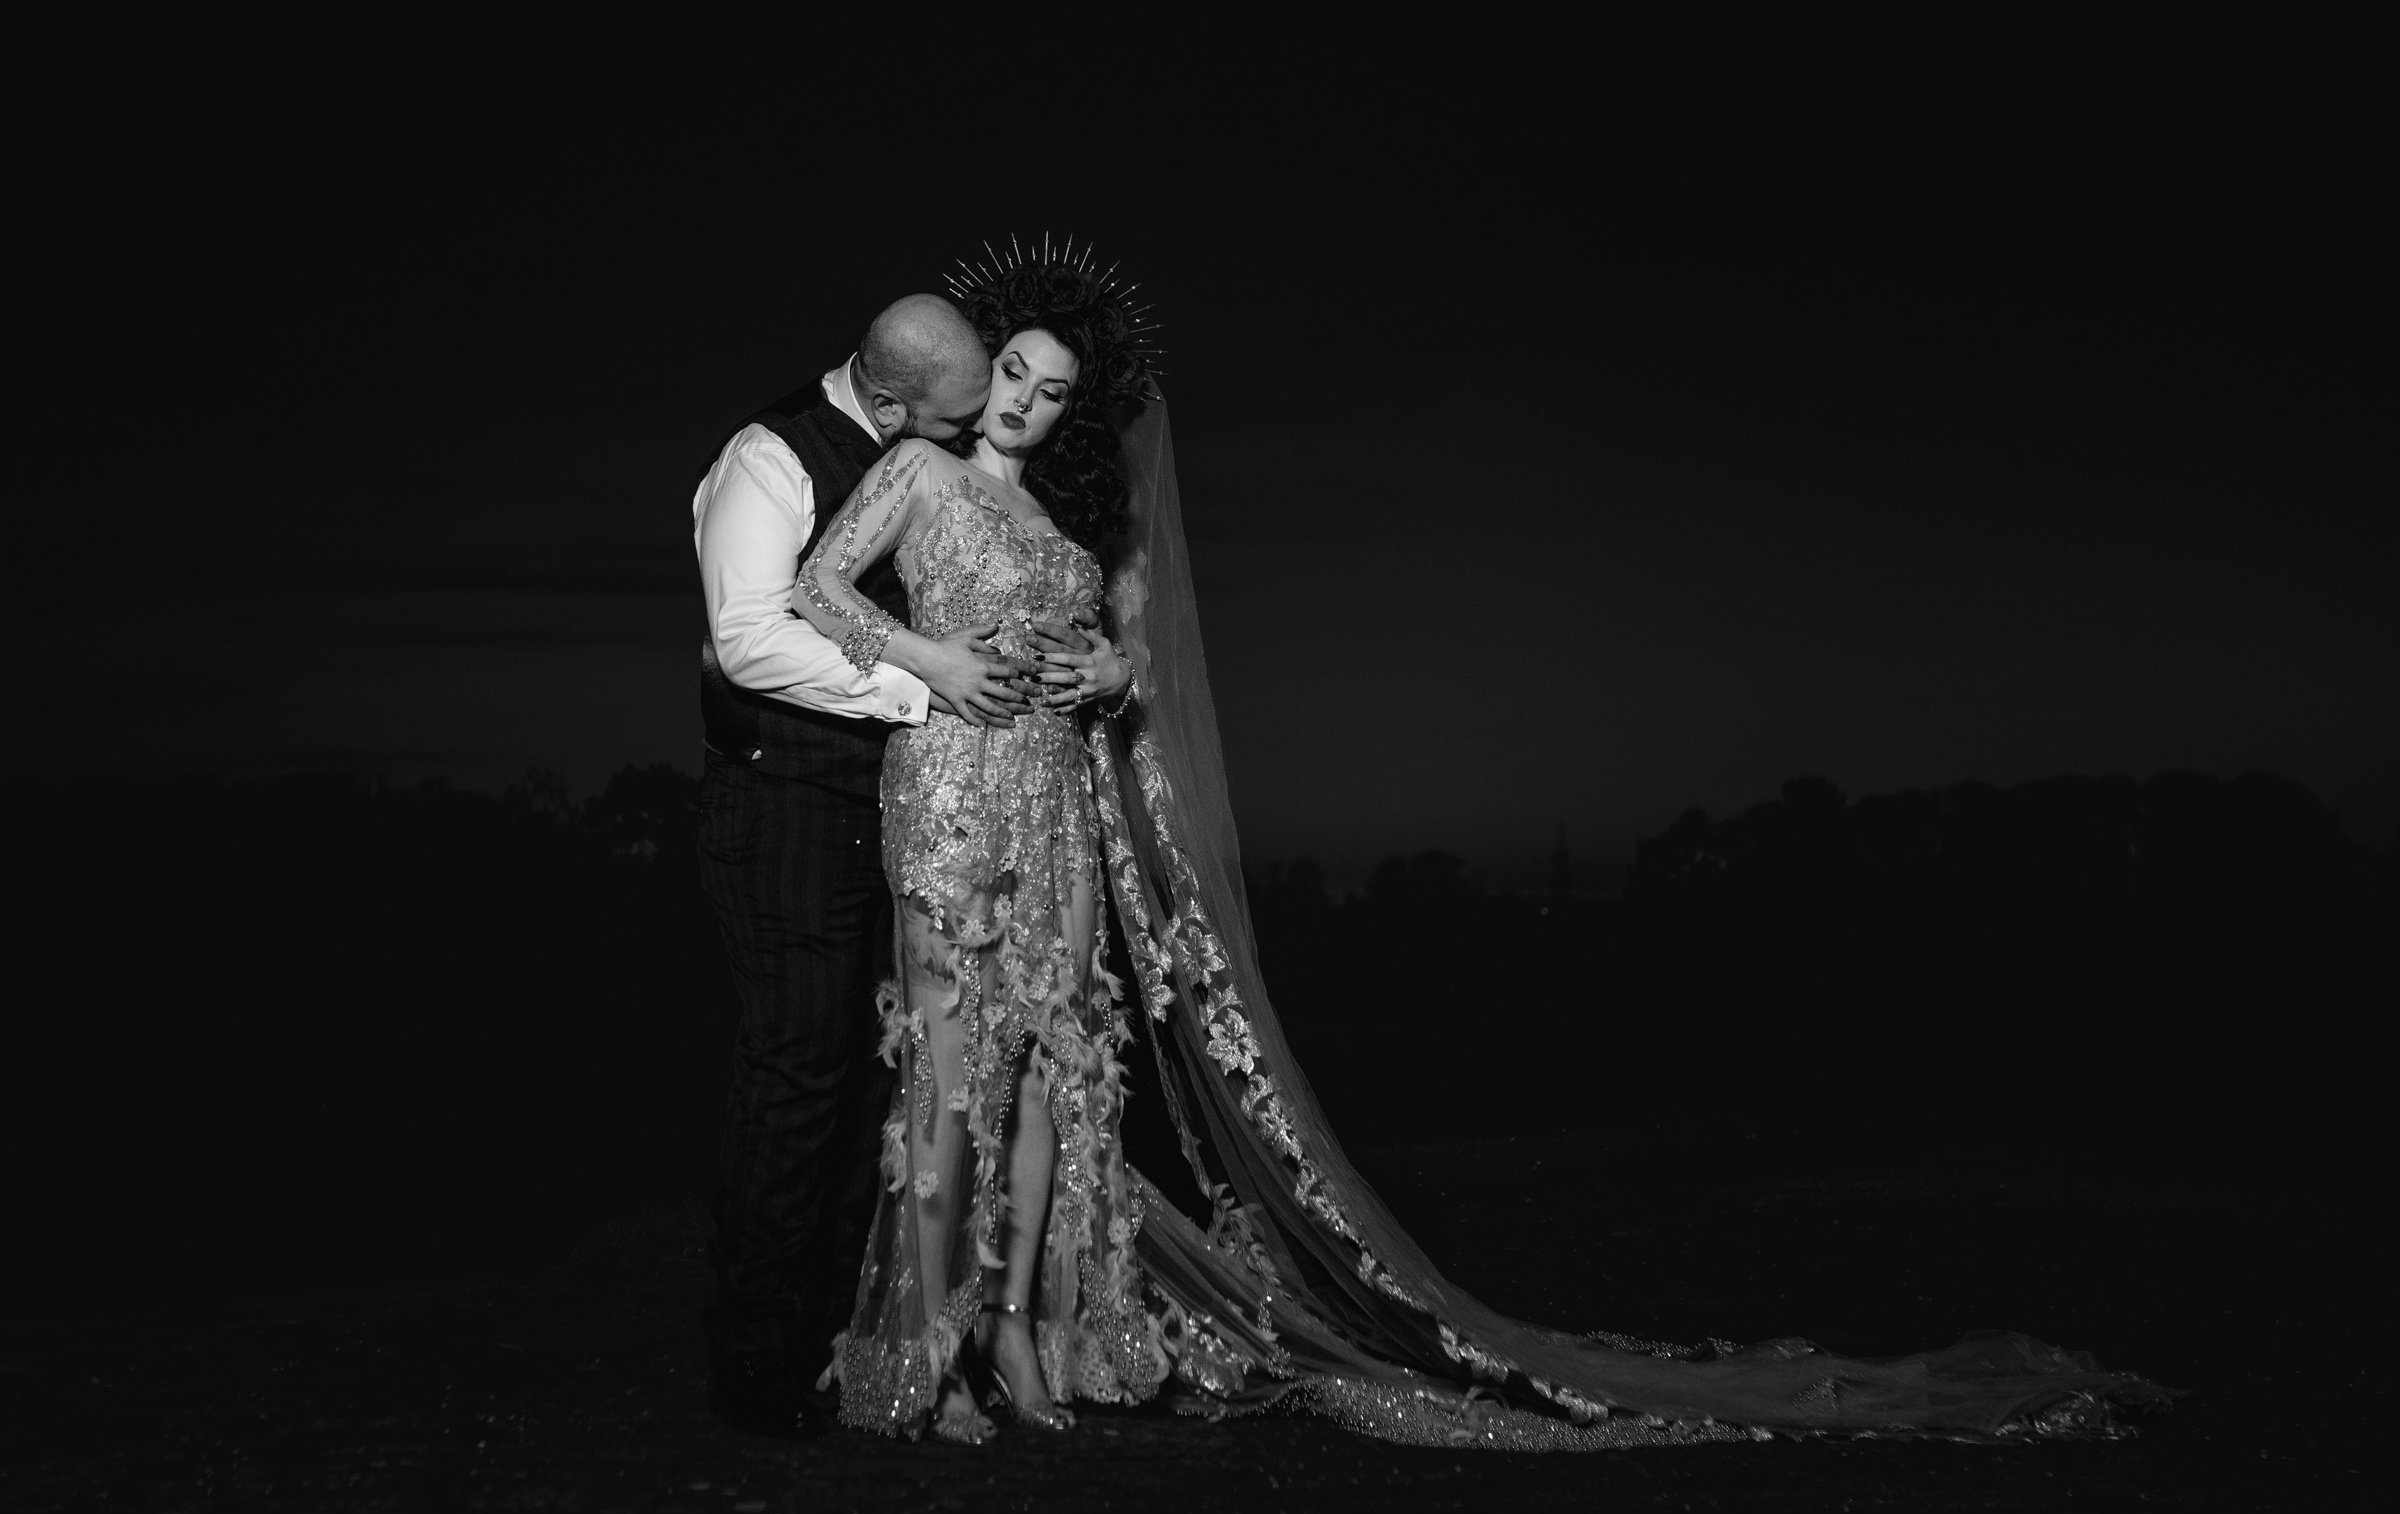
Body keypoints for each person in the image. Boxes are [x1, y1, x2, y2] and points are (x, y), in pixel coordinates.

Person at [806, 244, 2167, 1448]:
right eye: (1016, 375)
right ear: (981, 372)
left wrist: (1104, 673)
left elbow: (1111, 663)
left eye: (1054, 388)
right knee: (949, 1063)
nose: (1030, 401)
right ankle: (927, 1350)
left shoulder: (1053, 523)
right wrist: (930, 658)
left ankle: (1019, 1335)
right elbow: (817, 588)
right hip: (954, 782)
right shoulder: (917, 470)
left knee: (1055, 1073)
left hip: (1052, 791)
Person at [690, 293, 1033, 1439]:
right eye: (946, 422)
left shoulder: (908, 449)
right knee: (796, 1080)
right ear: (889, 402)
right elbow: (746, 635)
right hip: (782, 804)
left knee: (871, 1082)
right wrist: (915, 683)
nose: (958, 439)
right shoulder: (767, 458)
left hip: (886, 807)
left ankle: (846, 1342)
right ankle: (755, 1366)